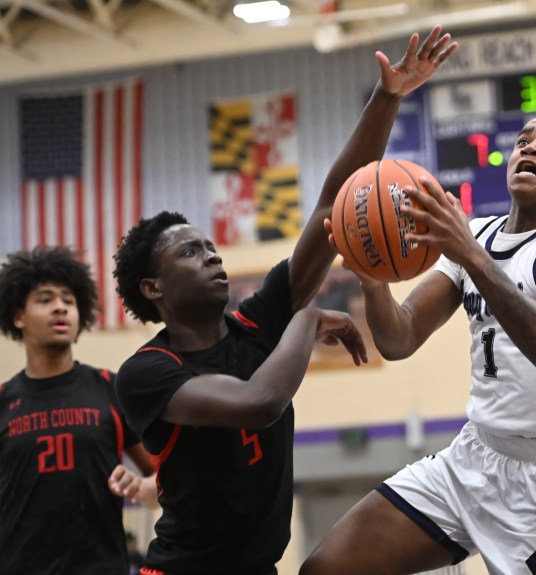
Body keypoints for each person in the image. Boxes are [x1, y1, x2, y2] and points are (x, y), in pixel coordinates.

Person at [111, 26, 456, 575]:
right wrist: (310, 315)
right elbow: (258, 402)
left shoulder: (256, 321)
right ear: (153, 287)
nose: (212, 256)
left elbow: (331, 206)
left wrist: (387, 98)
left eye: (211, 246)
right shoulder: (148, 372)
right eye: (189, 253)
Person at [304, 113, 536, 574]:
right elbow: (400, 337)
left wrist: (468, 254)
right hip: (473, 458)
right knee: (327, 568)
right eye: (523, 140)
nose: (530, 148)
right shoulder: (477, 234)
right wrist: (372, 283)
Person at [0, 246, 158, 574]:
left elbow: (167, 477)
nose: (60, 308)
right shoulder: (3, 401)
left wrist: (144, 488)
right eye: (45, 300)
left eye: (68, 301)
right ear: (18, 316)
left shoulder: (110, 389)